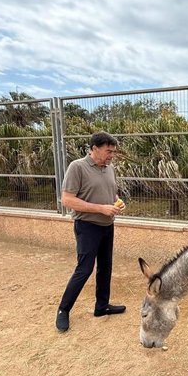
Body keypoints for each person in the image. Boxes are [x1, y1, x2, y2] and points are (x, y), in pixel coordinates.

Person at [55, 131, 126, 332]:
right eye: (108, 151)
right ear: (94, 148)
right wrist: (101, 208)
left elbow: (110, 192)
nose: (112, 155)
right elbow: (67, 200)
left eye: (113, 151)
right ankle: (63, 310)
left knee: (106, 267)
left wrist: (116, 202)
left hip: (107, 225)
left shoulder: (109, 168)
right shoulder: (77, 167)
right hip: (87, 226)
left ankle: (101, 306)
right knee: (84, 269)